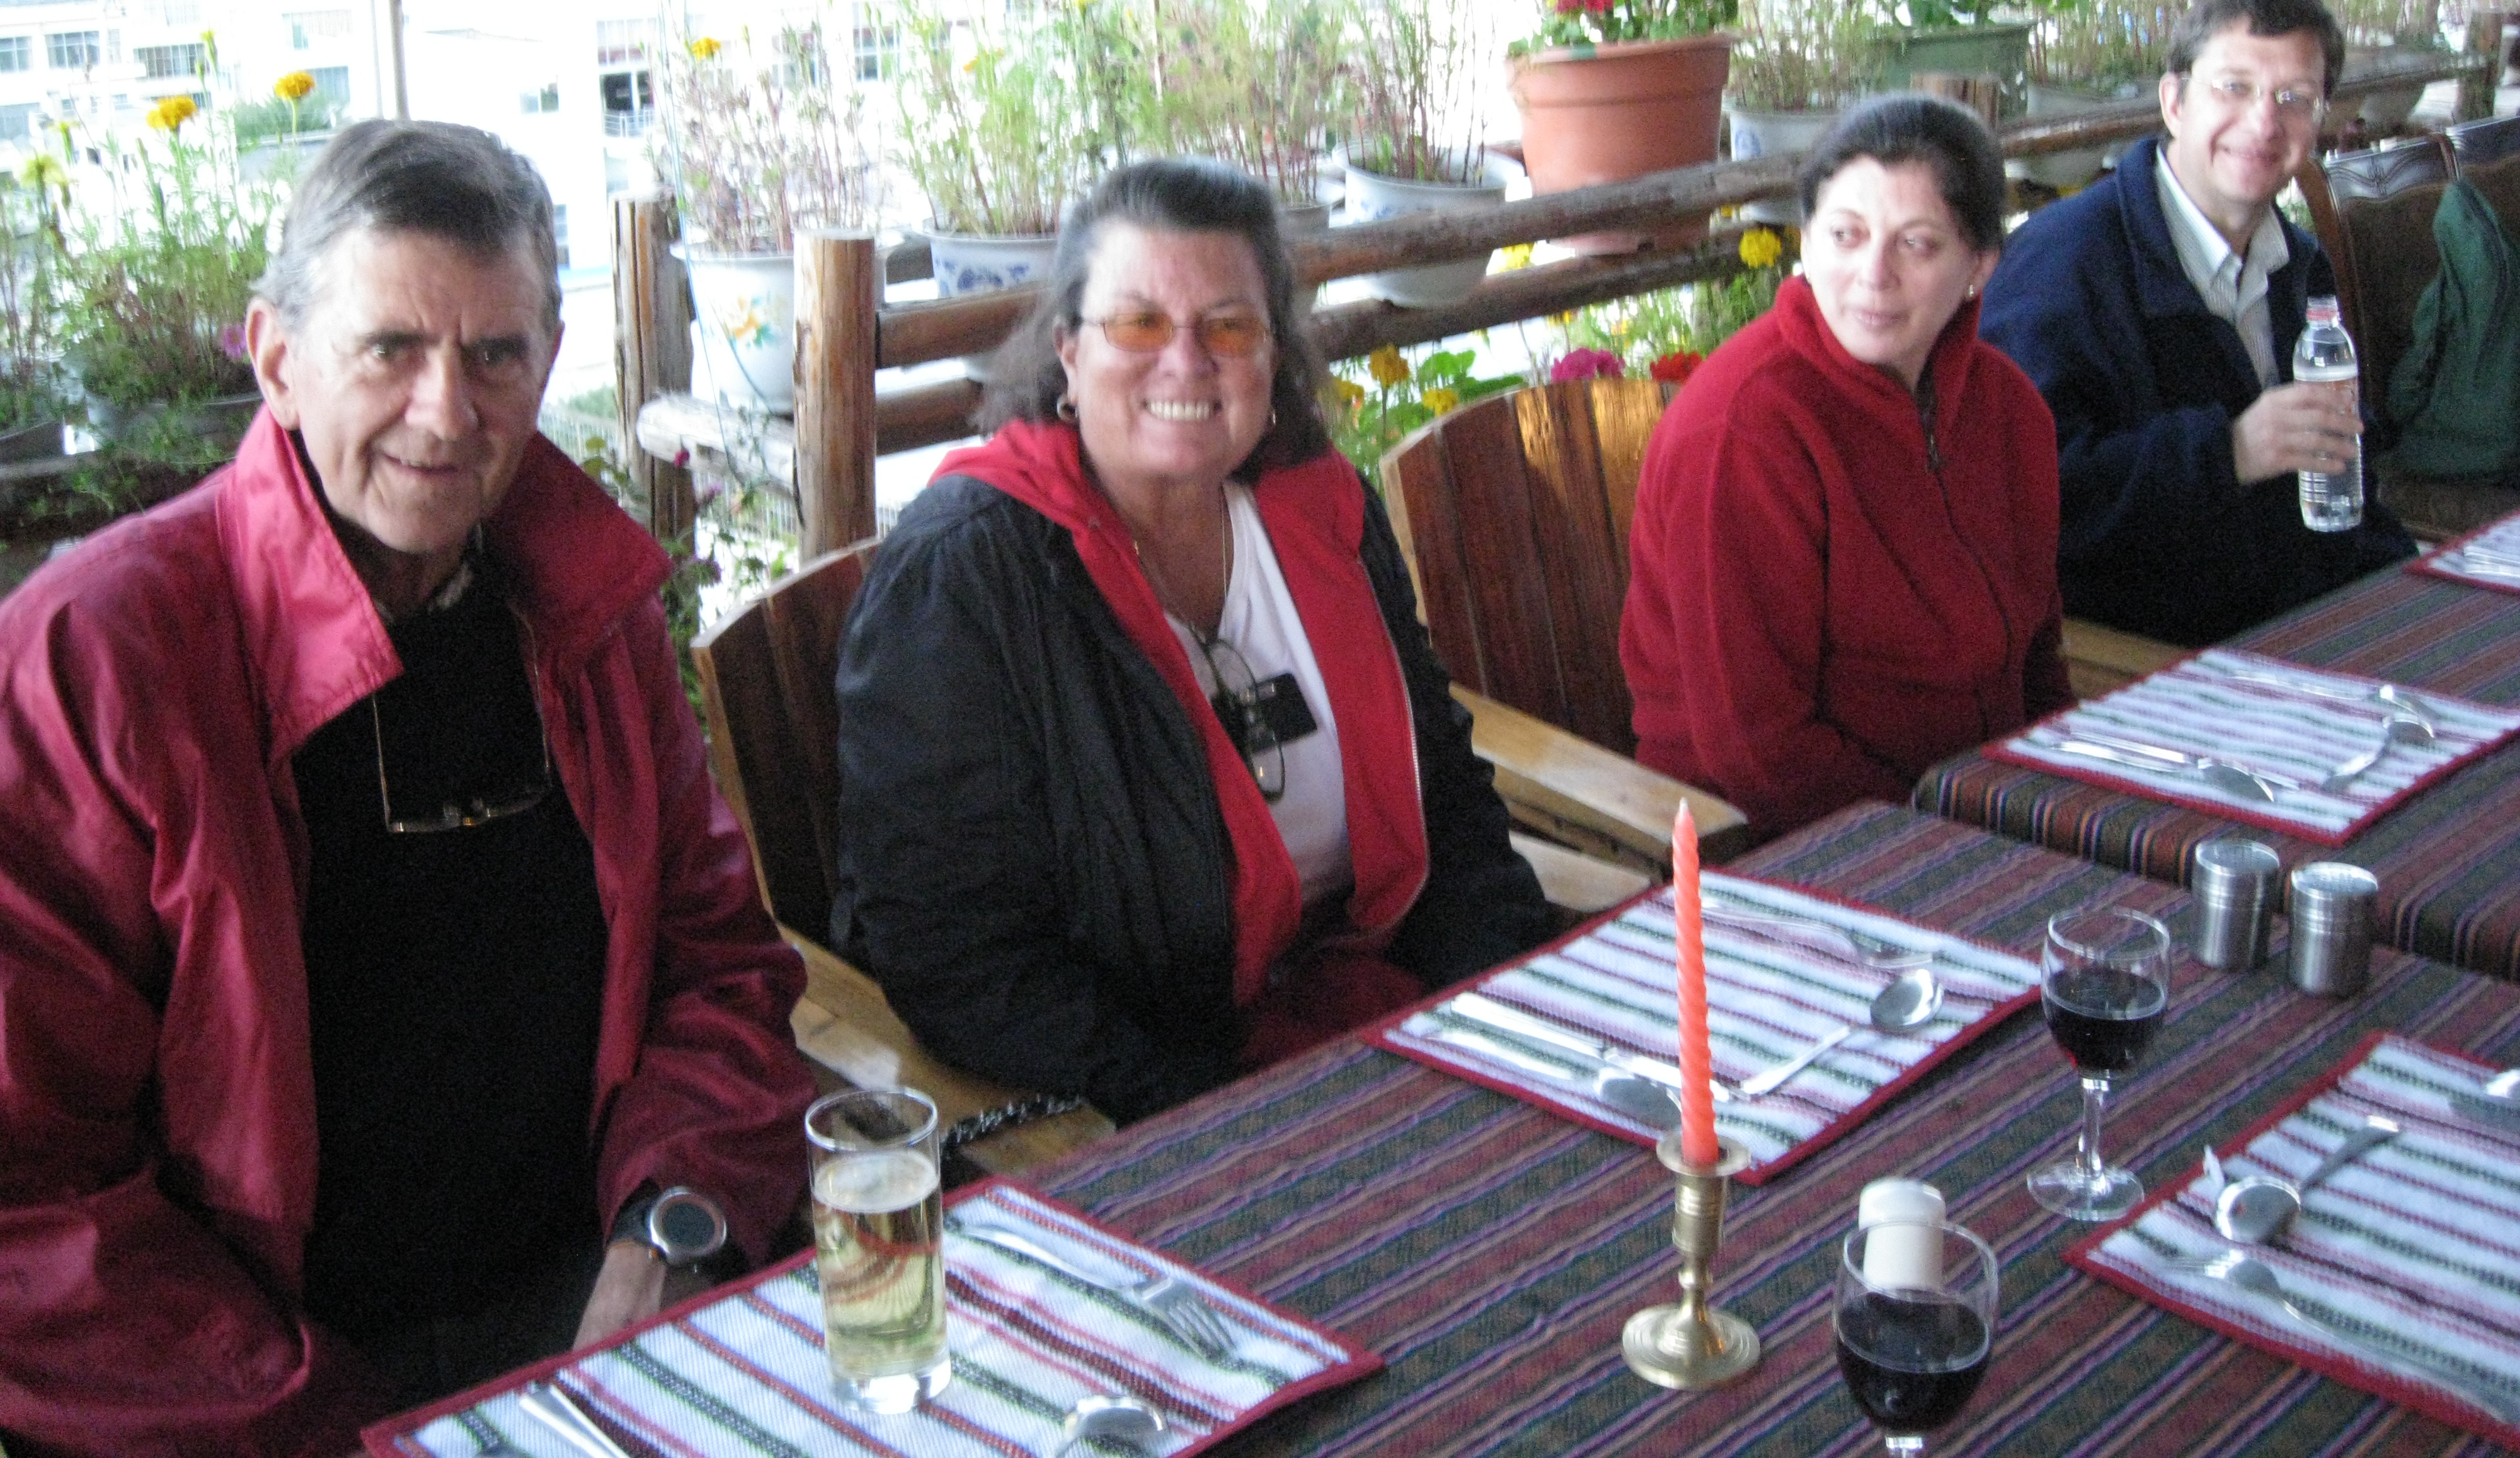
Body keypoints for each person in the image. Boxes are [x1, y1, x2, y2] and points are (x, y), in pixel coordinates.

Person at [0, 122, 814, 1456]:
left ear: (549, 360)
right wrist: (333, 1424)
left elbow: (714, 968)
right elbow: (30, 1200)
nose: (448, 413)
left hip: (592, 1305)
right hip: (248, 1388)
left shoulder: (587, 613)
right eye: (390, 349)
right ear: (277, 360)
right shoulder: (95, 656)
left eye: (496, 355)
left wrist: (671, 1229)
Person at [830, 158, 1547, 1125]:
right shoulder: (965, 580)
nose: (1185, 361)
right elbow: (959, 960)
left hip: (1376, 1023)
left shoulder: (1321, 512)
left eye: (1229, 326)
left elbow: (1447, 800)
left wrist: (1506, 1017)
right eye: (1138, 323)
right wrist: (1220, 1116)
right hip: (1150, 1093)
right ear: (1068, 353)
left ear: (1273, 356)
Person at [1620, 95, 2073, 839]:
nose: (1873, 275)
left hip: (1981, 804)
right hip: (1774, 834)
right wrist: (1942, 837)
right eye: (1845, 235)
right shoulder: (1745, 427)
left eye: (1916, 244)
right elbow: (1756, 747)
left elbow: (2036, 660)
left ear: (1978, 267)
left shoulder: (2008, 409)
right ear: (1804, 241)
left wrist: (2060, 801)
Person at [1979, 0, 2415, 645]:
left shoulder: (2297, 263)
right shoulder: (2064, 263)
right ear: (2174, 103)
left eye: (2294, 98)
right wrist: (2231, 451)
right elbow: (2017, 502)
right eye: (2233, 87)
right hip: (2146, 652)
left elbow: (2334, 483)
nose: (2263, 122)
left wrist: (2412, 585)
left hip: (2307, 618)